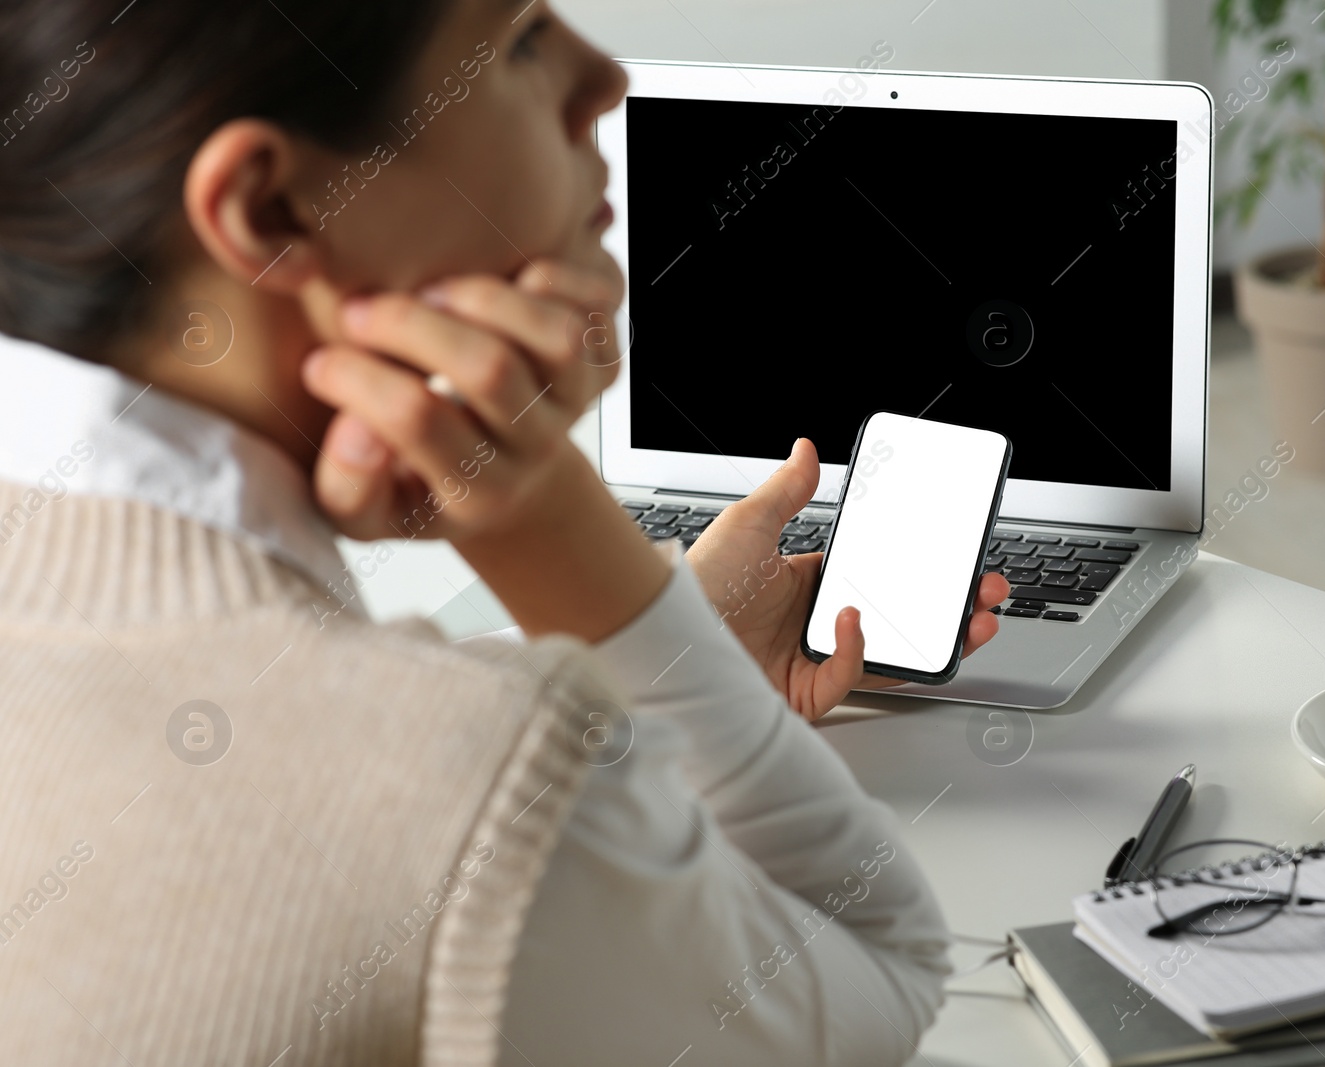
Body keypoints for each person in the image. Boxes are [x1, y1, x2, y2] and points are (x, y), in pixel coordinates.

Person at [0, 2, 1011, 1064]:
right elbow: (884, 964)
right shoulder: (463, 795)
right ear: (272, 209)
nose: (602, 77)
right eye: (521, 37)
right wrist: (544, 520)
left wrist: (667, 661)